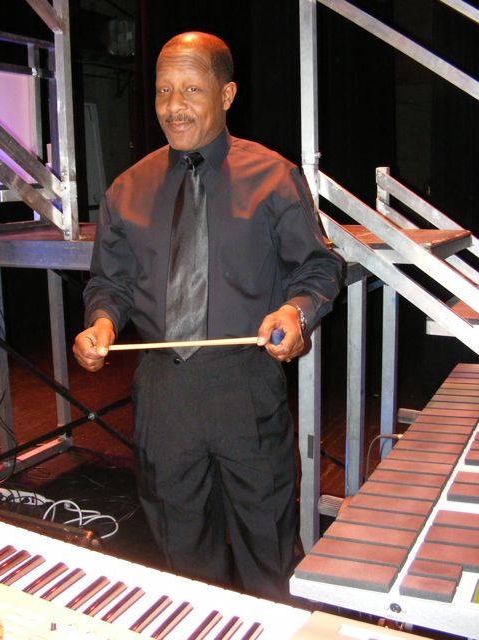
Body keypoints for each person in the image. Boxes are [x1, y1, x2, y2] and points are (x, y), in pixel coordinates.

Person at [73, 31, 342, 601]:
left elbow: (318, 268)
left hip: (246, 385)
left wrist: (296, 314)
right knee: (180, 555)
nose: (174, 106)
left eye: (192, 89)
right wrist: (101, 323)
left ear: (226, 94)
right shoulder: (126, 189)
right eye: (163, 90)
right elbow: (110, 284)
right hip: (163, 394)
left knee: (266, 546)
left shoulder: (273, 176)